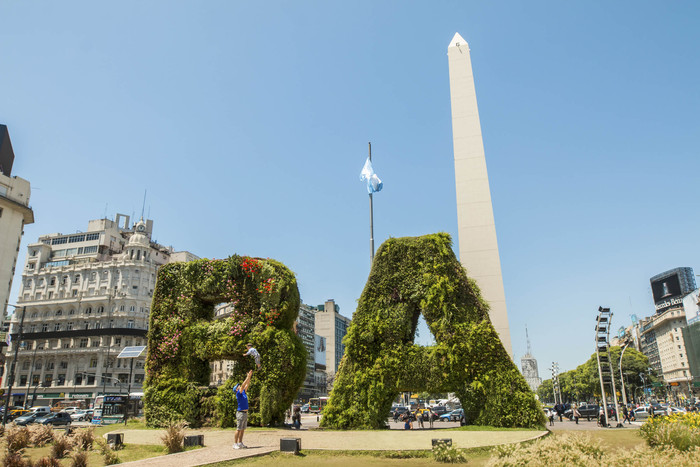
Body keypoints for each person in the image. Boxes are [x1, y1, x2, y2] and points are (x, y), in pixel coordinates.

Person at [233, 370, 253, 449]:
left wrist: (249, 377)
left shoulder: (243, 392)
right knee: (238, 429)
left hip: (244, 413)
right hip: (240, 413)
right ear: (236, 389)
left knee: (242, 429)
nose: (239, 386)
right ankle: (235, 444)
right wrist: (247, 377)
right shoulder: (238, 393)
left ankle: (240, 443)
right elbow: (243, 385)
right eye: (238, 386)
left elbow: (247, 384)